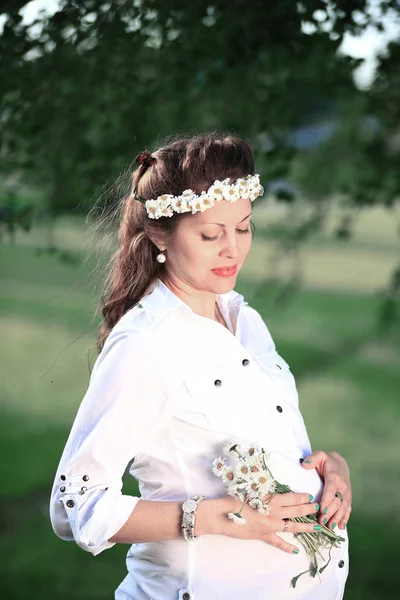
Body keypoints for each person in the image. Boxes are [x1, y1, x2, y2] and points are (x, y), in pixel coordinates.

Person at [49, 133, 351, 600]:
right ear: (158, 234)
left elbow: (264, 443)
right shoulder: (146, 344)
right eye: (211, 235)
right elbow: (76, 505)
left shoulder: (243, 319)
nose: (233, 250)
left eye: (244, 228)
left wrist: (329, 471)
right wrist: (219, 517)